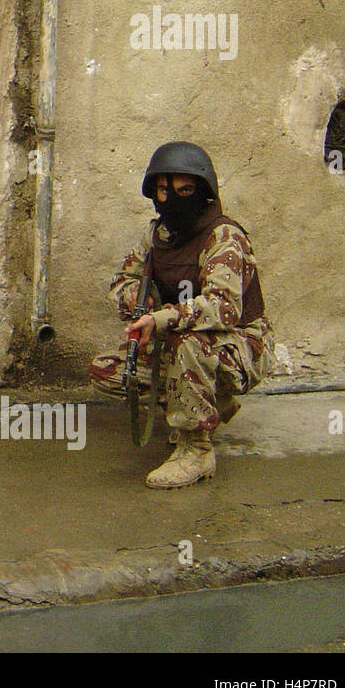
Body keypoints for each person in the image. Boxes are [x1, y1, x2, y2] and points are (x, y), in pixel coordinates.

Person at [89, 142, 276, 489]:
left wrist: (162, 319)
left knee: (188, 344)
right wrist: (140, 302)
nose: (171, 198)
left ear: (202, 192)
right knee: (109, 371)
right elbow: (121, 283)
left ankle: (196, 449)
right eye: (163, 190)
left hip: (241, 344)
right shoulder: (156, 236)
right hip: (182, 338)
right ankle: (212, 403)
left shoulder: (223, 236)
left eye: (184, 190)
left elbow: (222, 307)